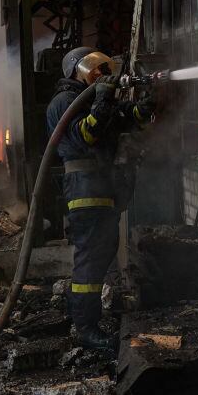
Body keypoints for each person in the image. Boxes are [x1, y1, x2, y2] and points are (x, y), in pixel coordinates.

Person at [46, 47, 155, 350]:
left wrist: (141, 109)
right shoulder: (65, 103)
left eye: (106, 70)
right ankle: (86, 328)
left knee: (101, 253)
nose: (104, 76)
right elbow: (87, 135)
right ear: (77, 71)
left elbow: (121, 121)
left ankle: (86, 318)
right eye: (97, 70)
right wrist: (104, 97)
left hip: (101, 187)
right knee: (90, 262)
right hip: (84, 189)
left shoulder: (96, 101)